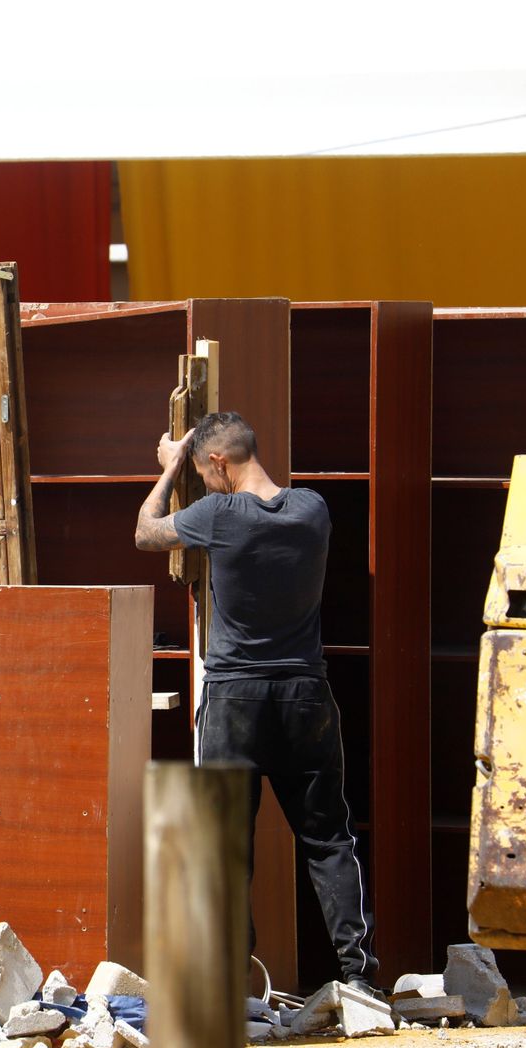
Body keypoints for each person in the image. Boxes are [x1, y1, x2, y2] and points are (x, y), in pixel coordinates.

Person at [133, 410, 380, 994]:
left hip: (236, 698)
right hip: (306, 695)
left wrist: (169, 471)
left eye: (203, 468)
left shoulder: (218, 514)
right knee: (328, 838)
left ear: (217, 462)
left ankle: (230, 986)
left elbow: (145, 532)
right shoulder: (313, 510)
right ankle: (360, 978)